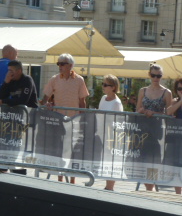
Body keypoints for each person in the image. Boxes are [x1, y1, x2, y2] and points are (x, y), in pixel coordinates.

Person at [41, 53, 90, 184]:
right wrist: (47, 104)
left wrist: (82, 119)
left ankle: (72, 180)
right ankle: (60, 180)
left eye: (62, 64)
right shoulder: (54, 79)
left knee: (73, 151)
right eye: (58, 63)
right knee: (59, 150)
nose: (60, 66)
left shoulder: (79, 80)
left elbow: (82, 102)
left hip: (74, 121)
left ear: (70, 65)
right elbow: (44, 99)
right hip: (58, 121)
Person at [136, 65, 172, 191]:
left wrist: (154, 113)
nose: (156, 78)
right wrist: (142, 111)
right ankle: (148, 188)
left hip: (157, 131)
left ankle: (150, 188)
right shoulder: (143, 90)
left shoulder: (166, 92)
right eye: (153, 75)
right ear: (149, 75)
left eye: (159, 76)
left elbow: (170, 113)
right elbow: (137, 109)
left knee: (154, 161)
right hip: (143, 130)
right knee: (142, 160)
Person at [98, 74, 124, 191]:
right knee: (104, 159)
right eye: (102, 84)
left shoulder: (117, 103)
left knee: (111, 160)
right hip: (101, 132)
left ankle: (110, 186)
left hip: (112, 135)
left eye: (105, 85)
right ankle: (107, 185)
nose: (103, 86)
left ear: (113, 87)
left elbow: (119, 121)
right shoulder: (103, 98)